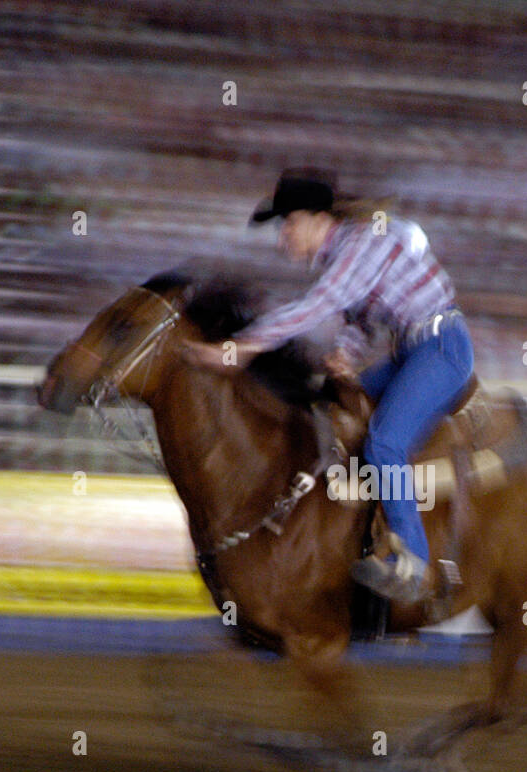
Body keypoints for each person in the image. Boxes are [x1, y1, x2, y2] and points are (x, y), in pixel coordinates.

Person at [182, 167, 474, 605]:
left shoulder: (360, 245)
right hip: (416, 351)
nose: (284, 239)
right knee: (329, 408)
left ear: (318, 218)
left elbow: (316, 306)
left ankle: (412, 561)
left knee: (385, 443)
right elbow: (360, 316)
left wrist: (243, 347)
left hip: (440, 350)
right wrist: (347, 353)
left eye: (289, 224)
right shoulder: (352, 252)